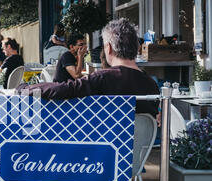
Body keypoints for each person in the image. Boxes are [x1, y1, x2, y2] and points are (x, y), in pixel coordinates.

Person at [18, 18, 160, 117]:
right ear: (136, 48)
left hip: (105, 154)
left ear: (108, 48)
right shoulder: (152, 86)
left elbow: (63, 89)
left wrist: (25, 88)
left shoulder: (102, 79)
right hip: (140, 155)